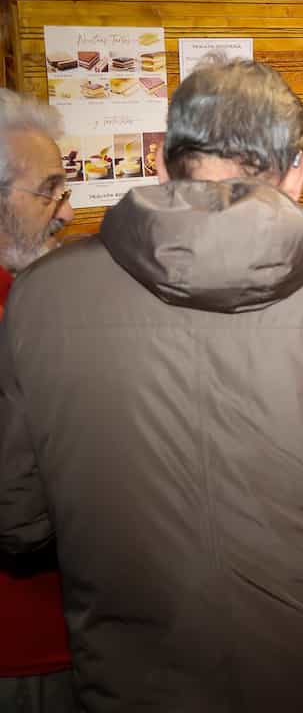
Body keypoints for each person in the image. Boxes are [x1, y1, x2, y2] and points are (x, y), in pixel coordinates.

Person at [0, 59, 303, 712]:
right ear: (300, 170)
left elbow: (16, 519)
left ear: (166, 166)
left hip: (137, 685)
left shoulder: (40, 299)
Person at [0, 90, 76, 712]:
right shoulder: (16, 318)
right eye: (48, 190)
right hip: (24, 644)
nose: (66, 213)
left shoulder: (30, 298)